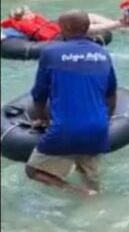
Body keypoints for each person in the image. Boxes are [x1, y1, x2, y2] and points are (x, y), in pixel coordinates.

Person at [23, 11, 119, 197]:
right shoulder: (102, 53)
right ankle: (96, 201)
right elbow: (111, 94)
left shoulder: (51, 52)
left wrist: (41, 119)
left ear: (65, 28)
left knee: (32, 171)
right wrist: (107, 120)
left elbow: (40, 94)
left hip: (65, 128)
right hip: (98, 128)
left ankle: (79, 192)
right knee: (91, 176)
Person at [1, 6, 129, 41]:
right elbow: (5, 34)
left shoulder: (34, 20)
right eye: (28, 13)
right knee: (83, 28)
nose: (32, 14)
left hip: (57, 28)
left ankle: (123, 27)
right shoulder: (16, 27)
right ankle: (120, 23)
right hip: (57, 36)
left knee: (90, 16)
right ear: (21, 17)